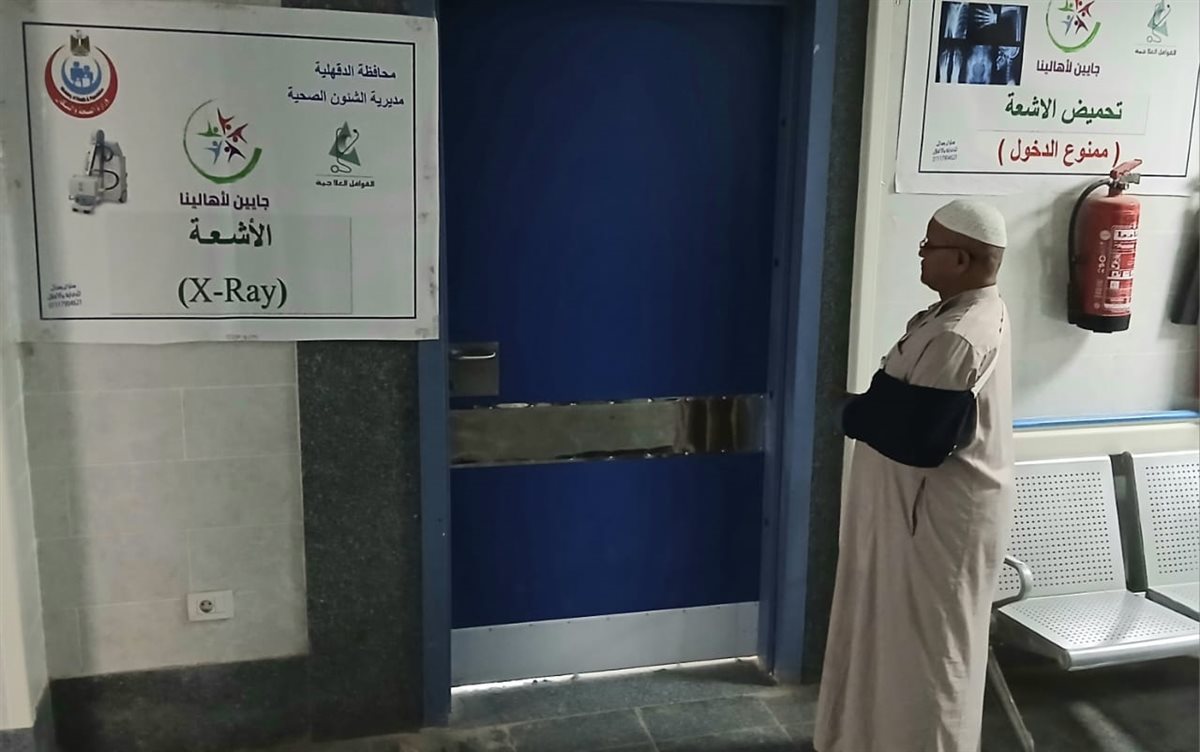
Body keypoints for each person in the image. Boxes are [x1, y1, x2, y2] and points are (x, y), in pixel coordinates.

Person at [814, 199, 1015, 752]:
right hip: (918, 519)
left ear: (962, 259)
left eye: (929, 246)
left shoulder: (961, 335)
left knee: (931, 660)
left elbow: (917, 436)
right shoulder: (951, 316)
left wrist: (847, 412)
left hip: (939, 525)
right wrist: (870, 406)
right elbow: (900, 408)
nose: (921, 255)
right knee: (896, 648)